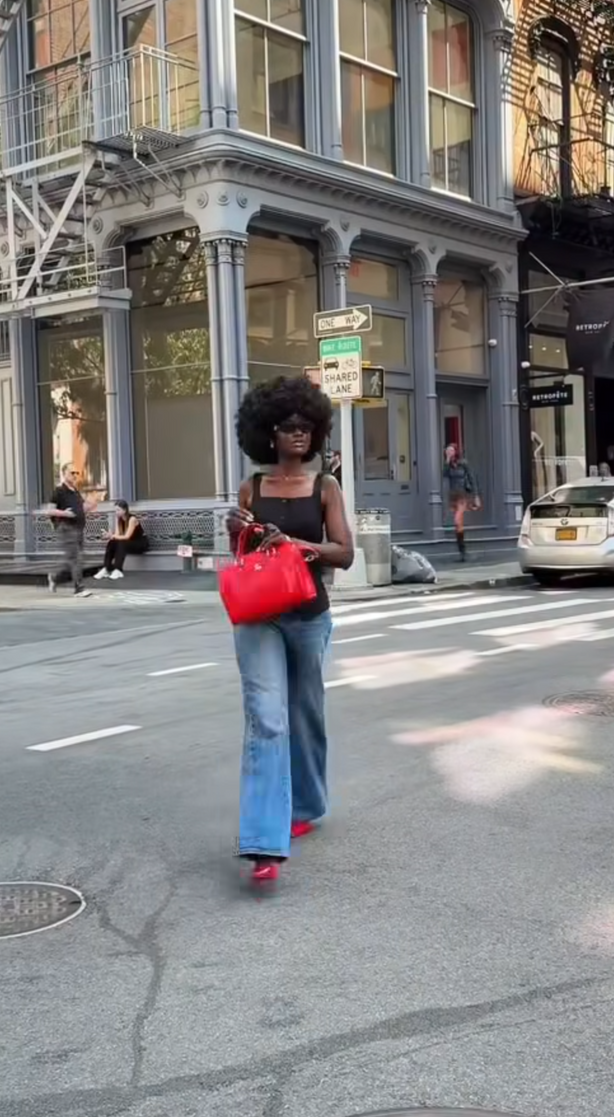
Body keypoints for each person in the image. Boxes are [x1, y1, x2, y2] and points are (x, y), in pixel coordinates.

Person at [227, 375, 354, 886]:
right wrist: (239, 530)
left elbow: (345, 553)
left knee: (304, 714)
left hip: (308, 614)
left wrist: (300, 544)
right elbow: (242, 551)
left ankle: (306, 802)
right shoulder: (251, 487)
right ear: (268, 433)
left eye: (306, 426)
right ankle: (263, 840)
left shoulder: (325, 487)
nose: (298, 434)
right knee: (266, 719)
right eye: (287, 426)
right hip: (258, 614)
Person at [47, 463, 97, 596]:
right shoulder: (59, 490)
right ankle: (79, 588)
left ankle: (55, 577)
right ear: (64, 474)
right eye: (72, 473)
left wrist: (89, 506)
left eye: (76, 473)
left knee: (74, 559)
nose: (75, 475)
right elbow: (50, 510)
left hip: (78, 527)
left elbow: (81, 509)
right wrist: (64, 513)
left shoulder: (75, 491)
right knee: (75, 558)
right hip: (66, 528)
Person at [442, 443, 481, 560]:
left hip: (463, 495)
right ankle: (462, 552)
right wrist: (447, 461)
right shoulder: (449, 465)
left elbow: (471, 479)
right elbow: (444, 474)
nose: (448, 452)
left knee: (457, 520)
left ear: (455, 452)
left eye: (451, 451)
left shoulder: (463, 463)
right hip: (453, 495)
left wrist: (476, 496)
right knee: (458, 525)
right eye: (447, 451)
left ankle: (462, 551)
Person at [94, 500, 148, 580]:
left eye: (118, 510)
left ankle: (118, 570)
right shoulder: (119, 519)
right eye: (115, 510)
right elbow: (117, 535)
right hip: (127, 543)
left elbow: (127, 536)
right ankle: (106, 568)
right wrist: (109, 536)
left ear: (125, 510)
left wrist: (113, 536)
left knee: (122, 543)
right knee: (112, 542)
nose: (116, 512)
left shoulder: (132, 519)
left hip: (140, 543)